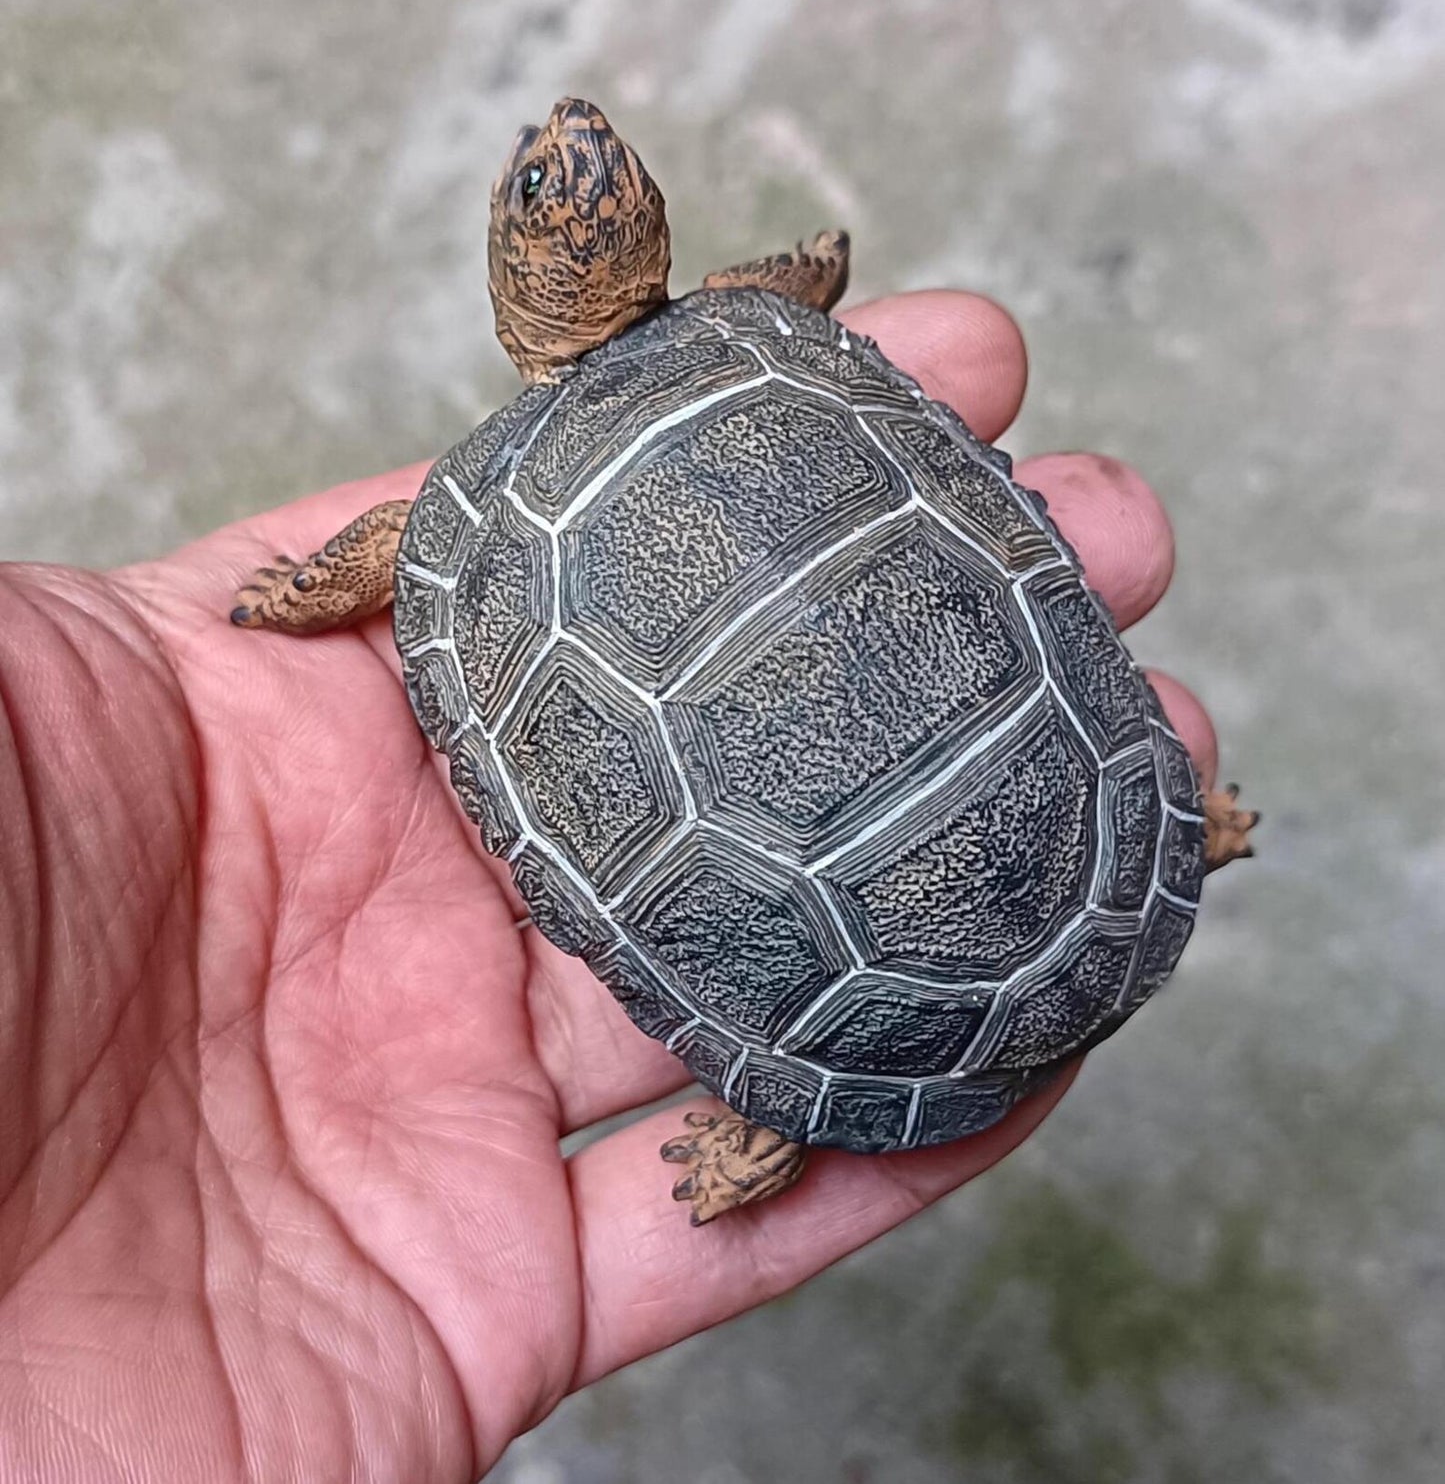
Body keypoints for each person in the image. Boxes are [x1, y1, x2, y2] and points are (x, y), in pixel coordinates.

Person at [0, 289, 1219, 1481]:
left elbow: (389, 552)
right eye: (549, 178)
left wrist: (293, 595)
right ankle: (1103, 877)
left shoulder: (467, 510)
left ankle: (795, 1092)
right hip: (1082, 854)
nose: (579, 147)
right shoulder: (748, 331)